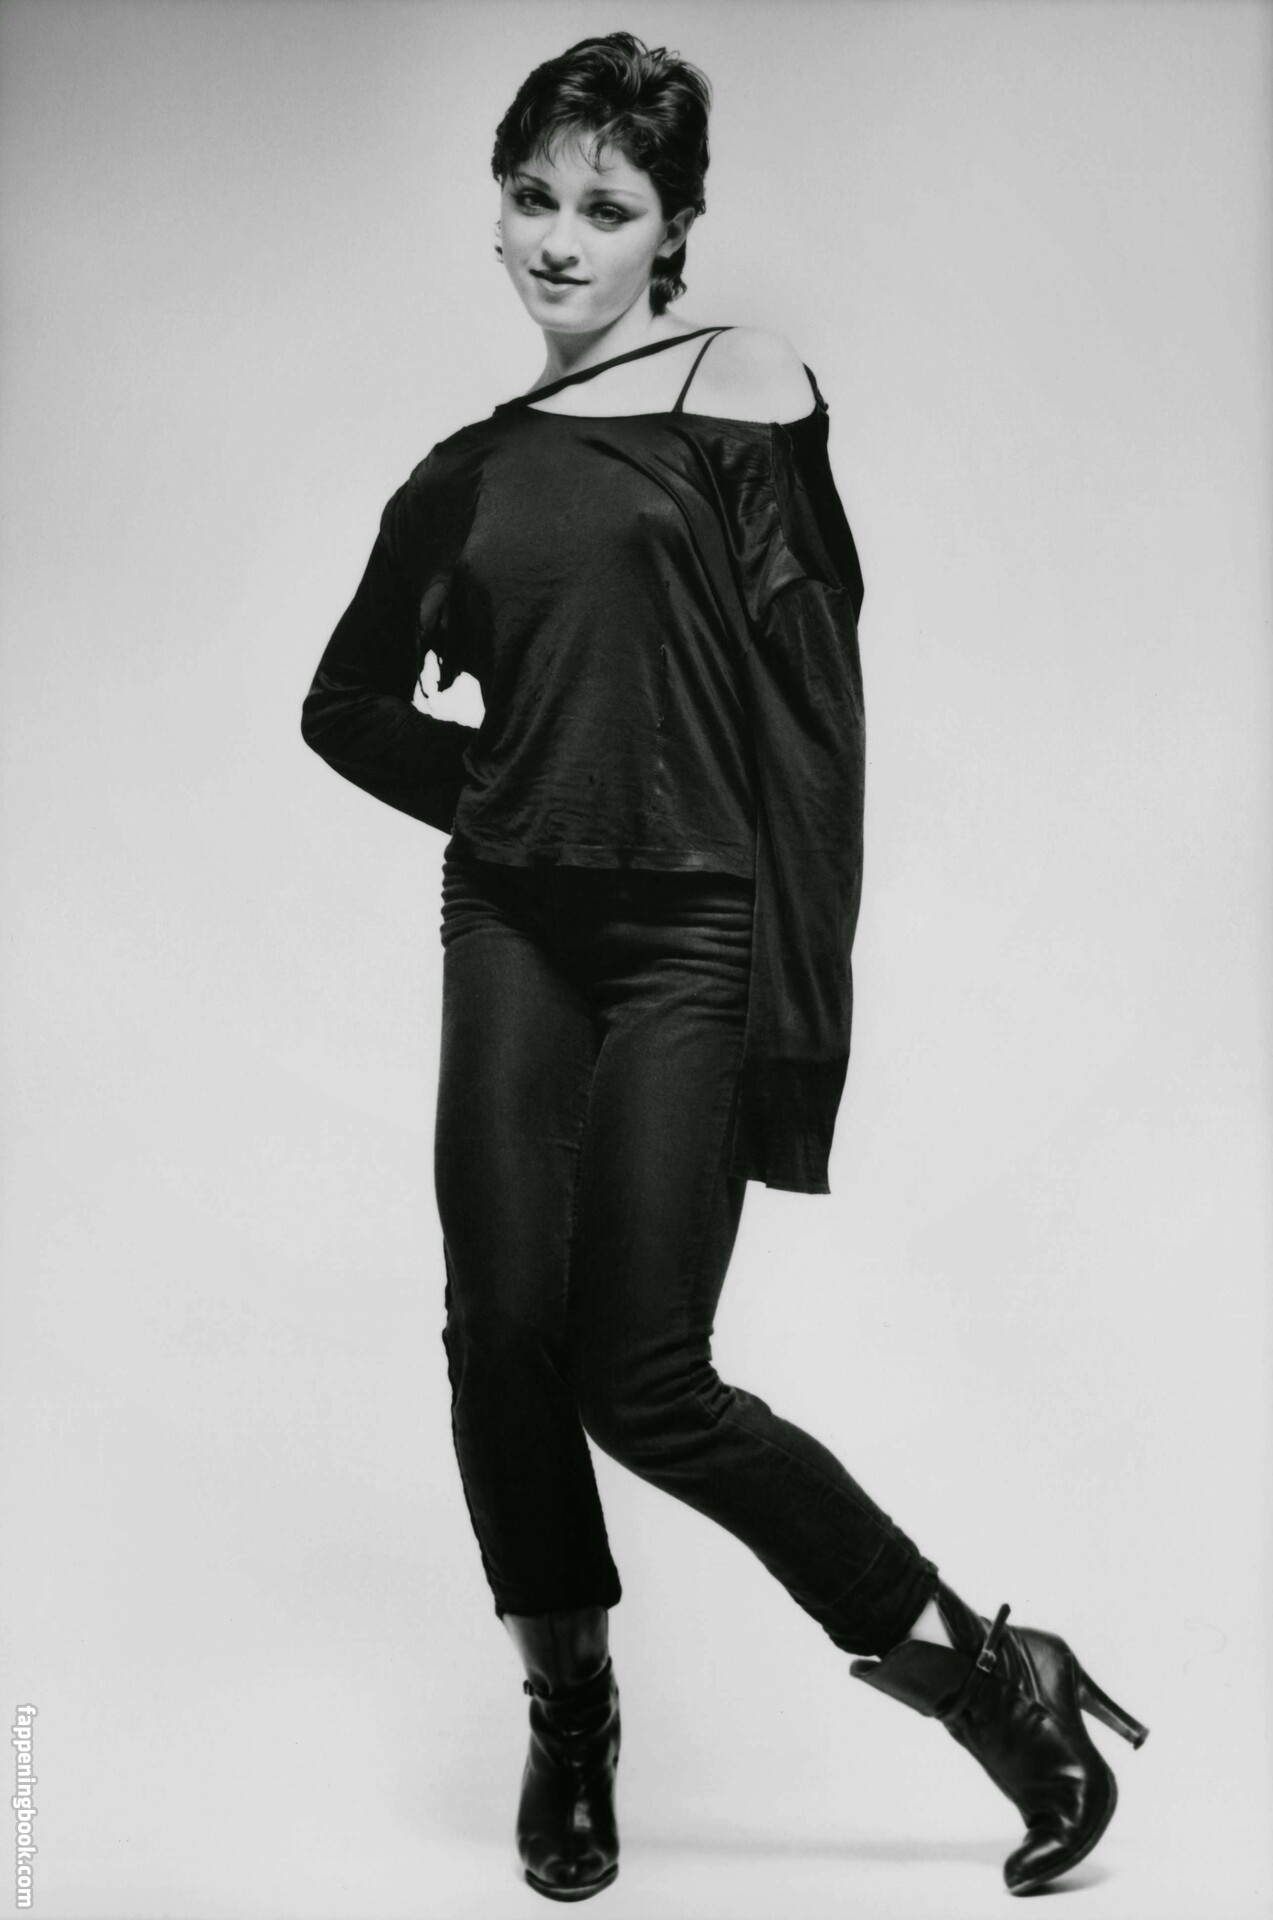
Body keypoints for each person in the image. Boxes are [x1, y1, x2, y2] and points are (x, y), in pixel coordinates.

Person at [300, 30, 1147, 1905]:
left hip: (693, 929)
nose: (559, 238)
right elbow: (341, 706)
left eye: (605, 207)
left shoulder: (740, 387)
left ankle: (992, 1682)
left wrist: (795, 983)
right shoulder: (462, 473)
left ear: (672, 228)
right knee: (498, 1337)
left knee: (644, 1377)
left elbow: (814, 705)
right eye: (532, 197)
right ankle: (570, 1713)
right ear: (495, 209)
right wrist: (505, 790)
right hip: (511, 926)